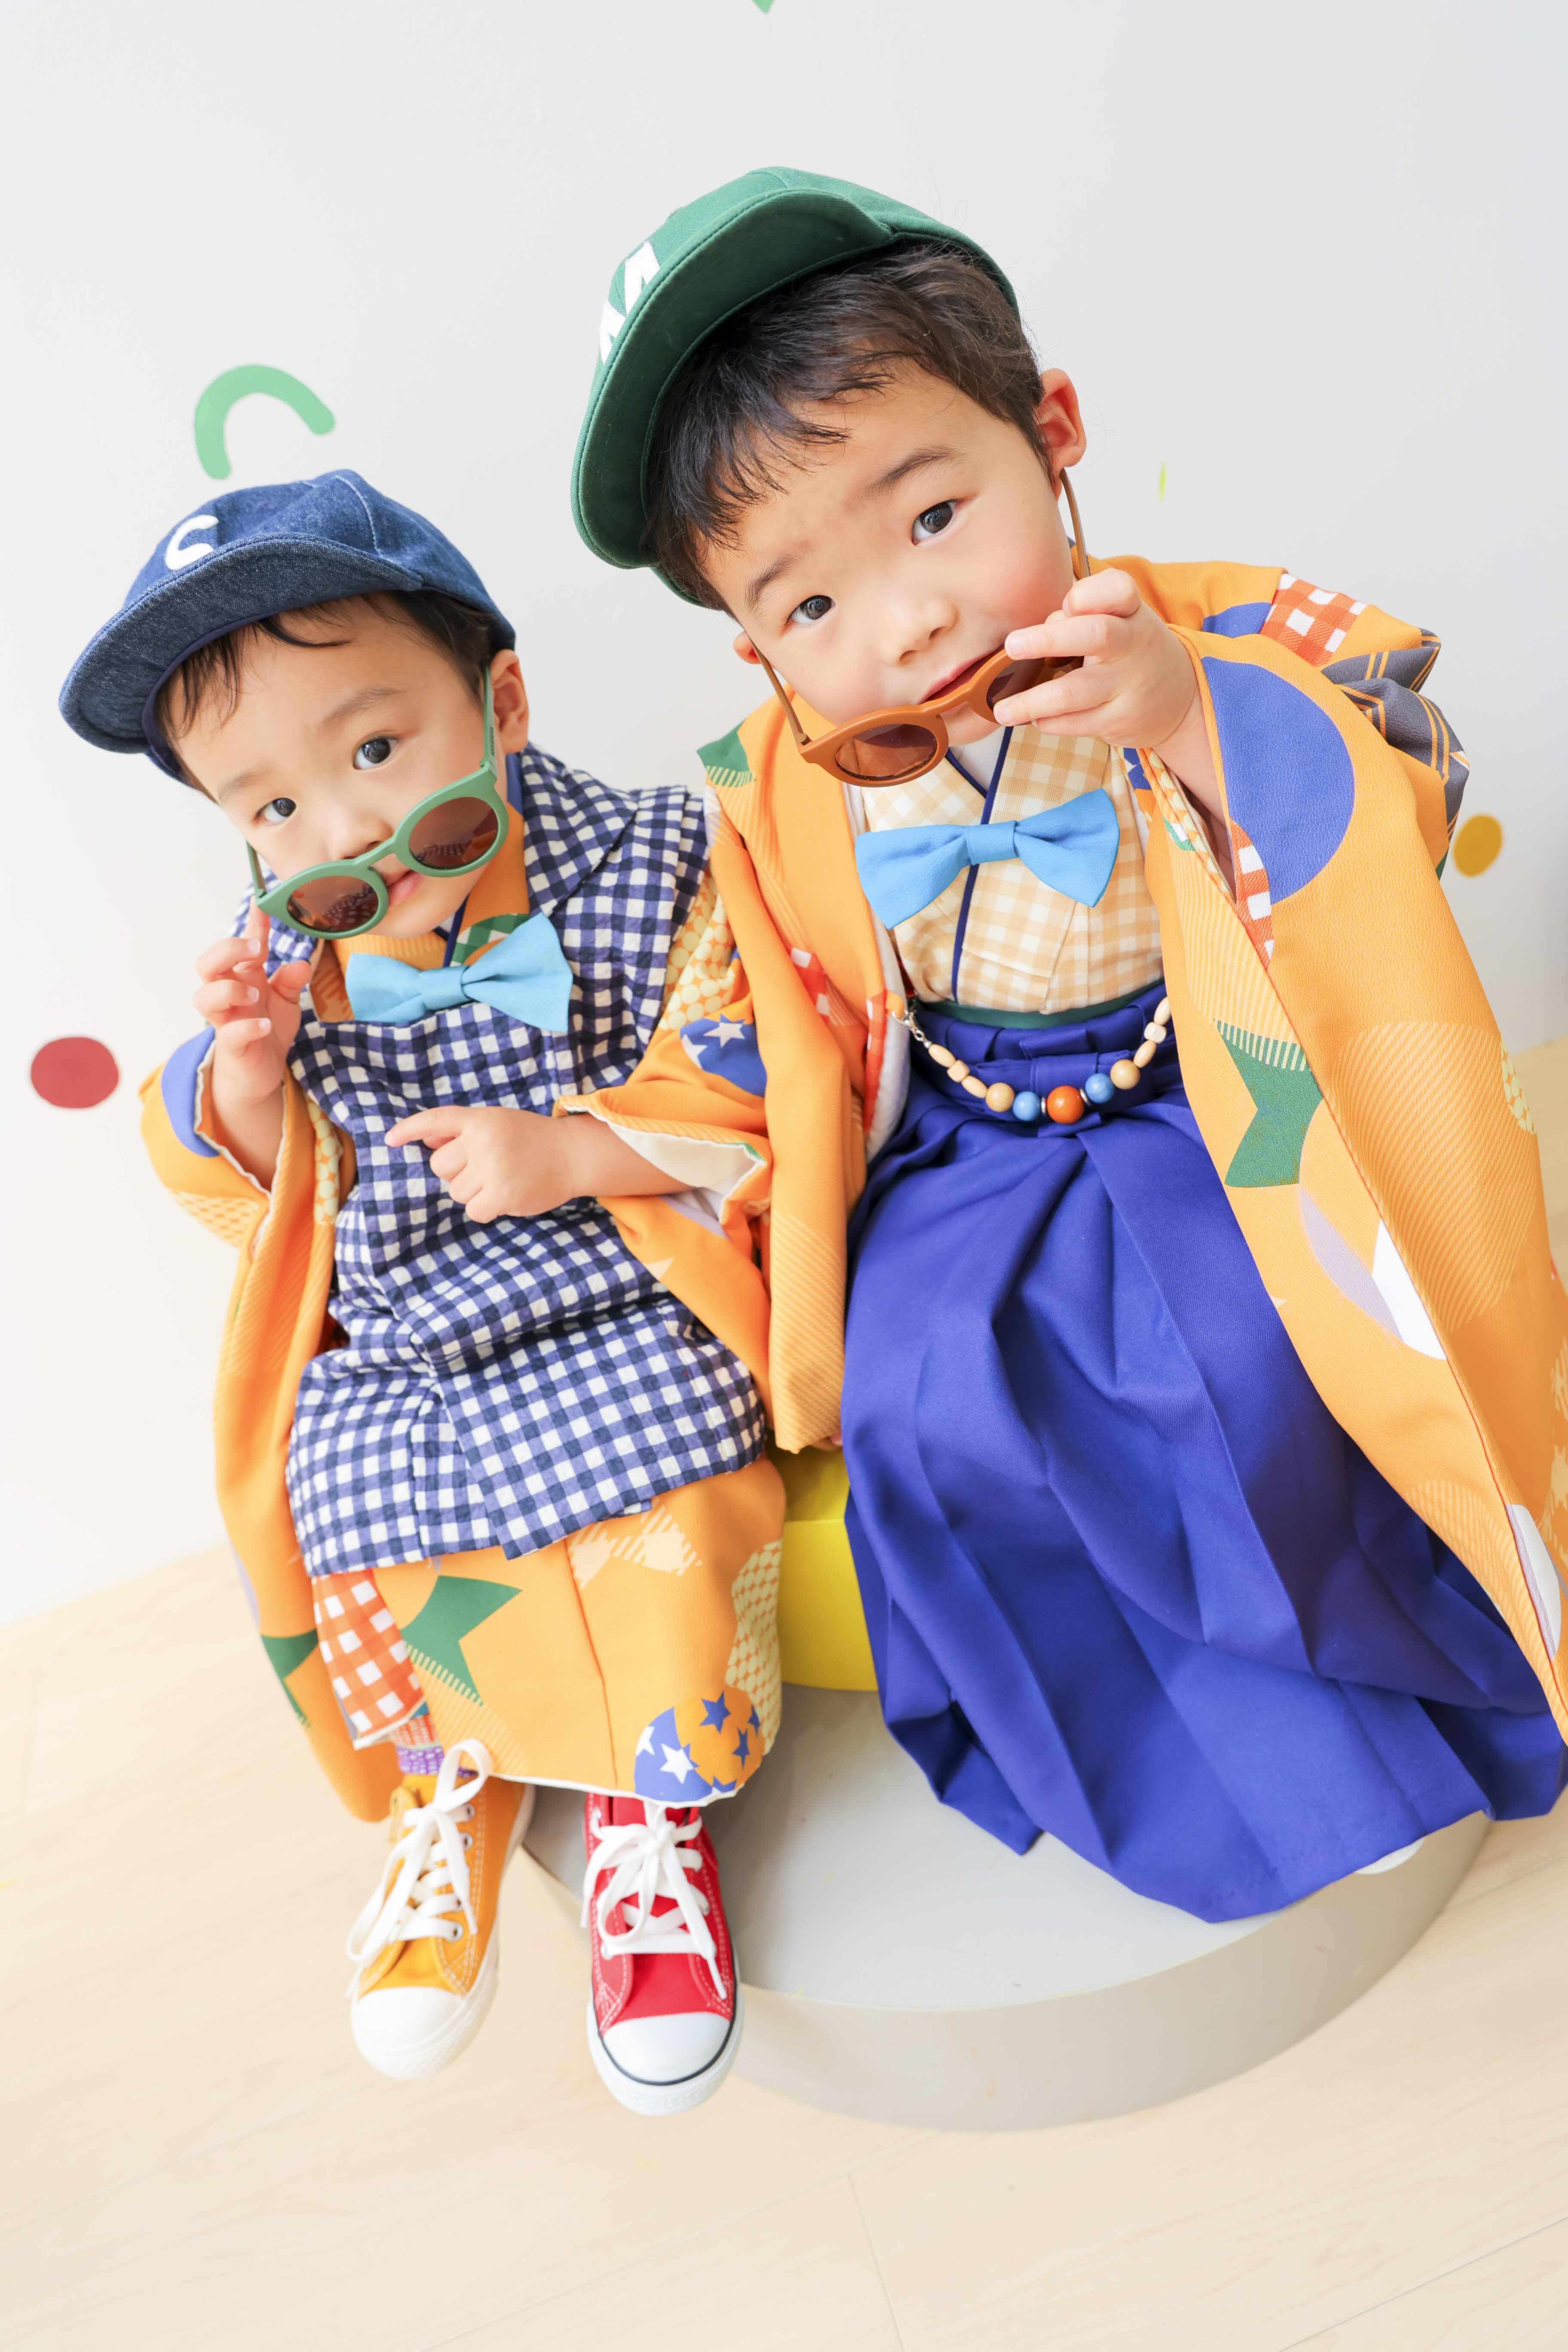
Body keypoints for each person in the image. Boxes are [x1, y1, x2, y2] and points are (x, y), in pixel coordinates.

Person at [564, 167, 1568, 1922]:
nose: (905, 622)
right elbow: (752, 1009)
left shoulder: (1206, 628)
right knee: (925, 1409)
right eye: (810, 609)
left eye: (934, 515)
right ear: (750, 643)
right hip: (967, 1140)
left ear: (1053, 429)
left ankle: (1411, 1707)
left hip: (1223, 1092)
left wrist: (1195, 713)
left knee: (1265, 1368)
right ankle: (1146, 1755)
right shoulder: (774, 784)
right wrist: (602, 1144)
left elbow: (1405, 764)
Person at [59, 472, 786, 2113]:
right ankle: (452, 1786)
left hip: (619, 1288)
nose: (338, 834)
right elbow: (262, 1202)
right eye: (269, 807)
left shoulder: (657, 855)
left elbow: (753, 1064)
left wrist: (575, 1151)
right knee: (345, 1490)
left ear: (502, 704)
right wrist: (251, 1084)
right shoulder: (290, 954)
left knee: (662, 1483)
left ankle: (651, 1810)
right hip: (414, 1340)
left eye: (376, 749)